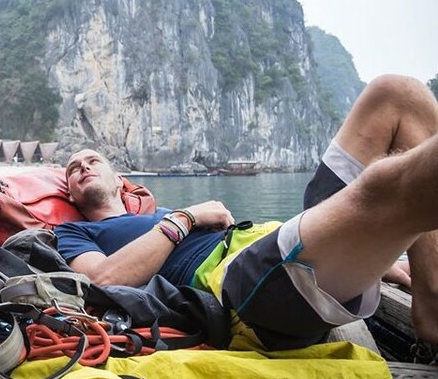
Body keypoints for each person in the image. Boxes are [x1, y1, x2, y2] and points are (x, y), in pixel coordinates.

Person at [55, 74, 438, 351]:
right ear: (70, 192)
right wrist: (186, 218)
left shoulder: (160, 215)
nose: (84, 167)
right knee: (387, 187)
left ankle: (430, 290)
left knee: (399, 96)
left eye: (92, 160)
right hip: (243, 285)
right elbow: (101, 282)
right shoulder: (76, 232)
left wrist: (385, 263)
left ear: (119, 179)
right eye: (74, 168)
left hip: (280, 243)